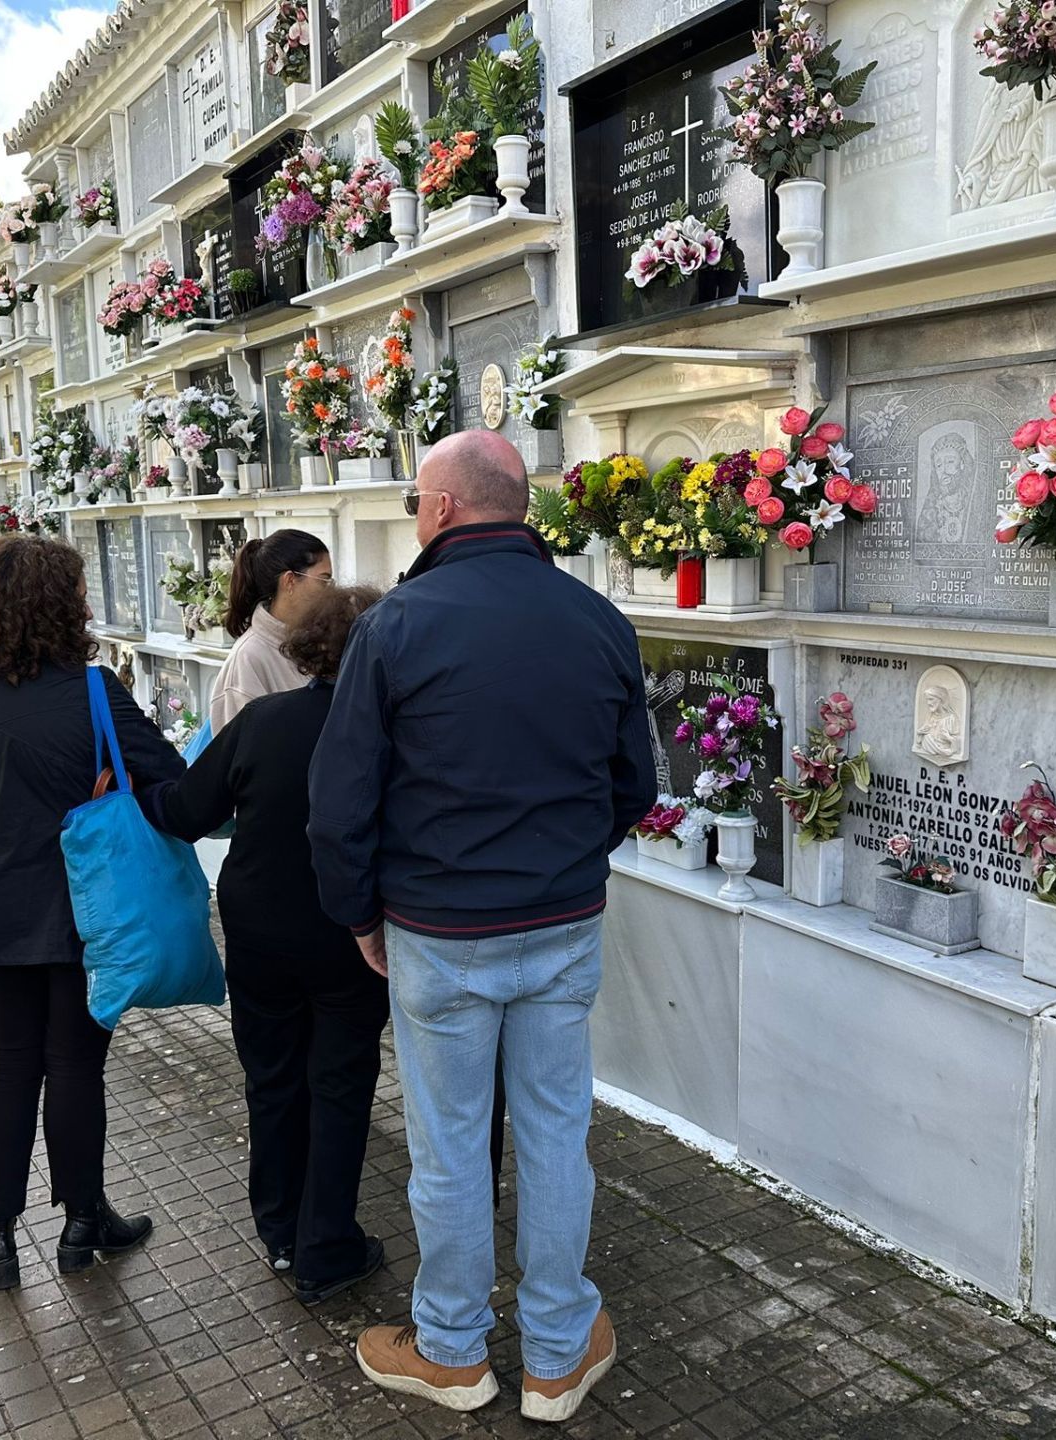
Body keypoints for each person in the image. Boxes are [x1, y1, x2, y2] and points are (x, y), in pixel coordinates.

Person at [309, 431, 654, 1422]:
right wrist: (563, 857)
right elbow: (633, 782)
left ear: (446, 508)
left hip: (438, 928)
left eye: (419, 500)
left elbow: (340, 805)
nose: (416, 516)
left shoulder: (400, 625)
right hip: (561, 923)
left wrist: (360, 914)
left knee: (451, 1145)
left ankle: (455, 1352)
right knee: (554, 1132)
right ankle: (555, 1352)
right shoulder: (598, 620)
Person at [0, 534, 188, 1290]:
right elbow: (167, 779)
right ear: (55, 606)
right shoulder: (92, 691)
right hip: (84, 910)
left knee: (8, 1063)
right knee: (75, 1062)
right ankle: (83, 1221)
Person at [138, 585, 388, 1305]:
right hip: (353, 936)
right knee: (339, 1084)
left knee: (272, 1076)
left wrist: (129, 794)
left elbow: (187, 812)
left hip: (259, 928)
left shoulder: (264, 720)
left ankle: (278, 1229)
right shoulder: (394, 732)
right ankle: (326, 1245)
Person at [209, 529, 333, 730]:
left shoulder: (317, 643)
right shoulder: (248, 659)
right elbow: (242, 754)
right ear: (290, 581)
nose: (330, 591)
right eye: (323, 580)